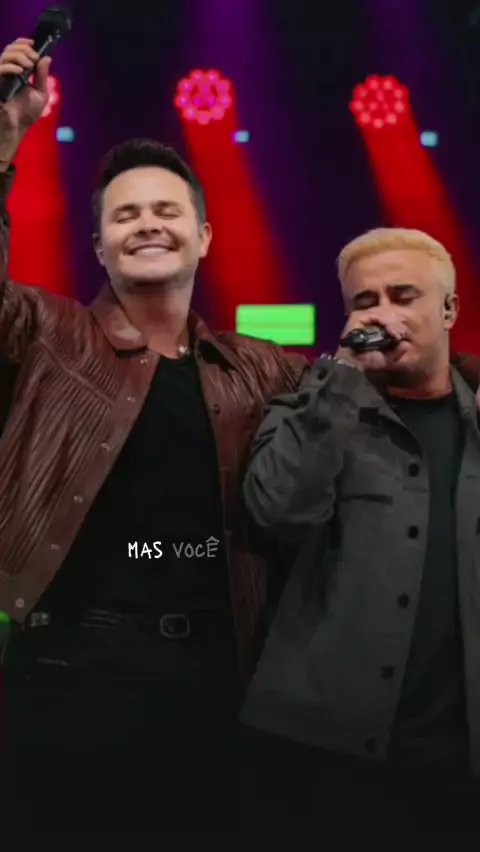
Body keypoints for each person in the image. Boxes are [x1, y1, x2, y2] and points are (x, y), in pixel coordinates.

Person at [0, 37, 308, 837]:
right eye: (125, 213)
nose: (147, 224)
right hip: (71, 678)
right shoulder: (47, 333)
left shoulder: (256, 366)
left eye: (167, 211)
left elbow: (378, 376)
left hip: (223, 682)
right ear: (98, 245)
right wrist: (5, 137)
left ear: (203, 236)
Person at [241, 227, 480, 834]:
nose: (382, 314)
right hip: (330, 751)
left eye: (404, 296)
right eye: (364, 301)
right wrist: (342, 378)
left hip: (458, 756)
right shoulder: (308, 410)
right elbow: (278, 512)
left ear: (449, 309)